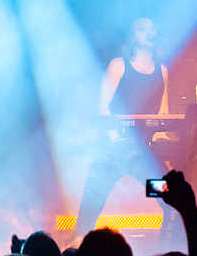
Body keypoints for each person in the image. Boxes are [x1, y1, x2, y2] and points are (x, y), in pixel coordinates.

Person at [74, 17, 173, 240]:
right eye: (142, 29)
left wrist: (163, 148)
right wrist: (114, 133)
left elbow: (163, 114)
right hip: (112, 151)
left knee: (170, 201)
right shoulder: (118, 65)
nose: (149, 32)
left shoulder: (162, 70)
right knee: (89, 211)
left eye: (152, 29)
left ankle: (168, 252)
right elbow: (102, 106)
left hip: (143, 155)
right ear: (132, 36)